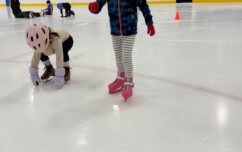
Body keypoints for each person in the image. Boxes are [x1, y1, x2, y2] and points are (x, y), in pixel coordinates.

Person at [89, 0, 155, 101]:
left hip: (129, 29)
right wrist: (93, 7)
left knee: (126, 56)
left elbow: (143, 6)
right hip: (115, 29)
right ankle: (121, 77)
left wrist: (149, 22)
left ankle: (129, 80)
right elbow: (98, 6)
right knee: (118, 57)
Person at [26, 23, 74, 89]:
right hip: (50, 45)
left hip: (67, 40)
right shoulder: (38, 42)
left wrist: (59, 76)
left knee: (63, 52)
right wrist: (33, 74)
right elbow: (35, 57)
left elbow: (59, 57)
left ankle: (66, 69)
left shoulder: (55, 40)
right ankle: (49, 68)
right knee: (40, 53)